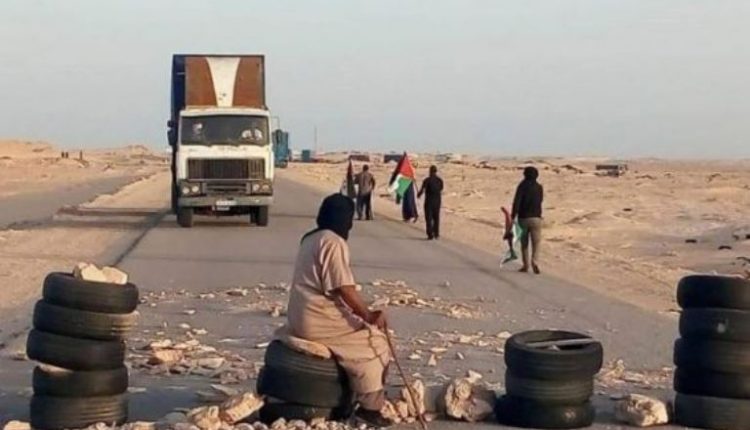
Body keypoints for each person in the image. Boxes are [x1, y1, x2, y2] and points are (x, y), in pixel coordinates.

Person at [285, 194, 393, 427]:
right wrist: (368, 315)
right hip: (317, 317)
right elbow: (344, 288)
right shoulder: (333, 242)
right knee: (373, 343)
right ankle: (369, 408)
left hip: (299, 314)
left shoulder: (310, 238)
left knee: (360, 329)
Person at [512, 166, 544, 274]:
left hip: (523, 218)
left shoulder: (522, 186)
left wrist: (513, 216)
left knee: (524, 243)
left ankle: (526, 265)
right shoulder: (539, 187)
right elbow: (540, 201)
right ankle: (535, 261)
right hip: (536, 218)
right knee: (536, 243)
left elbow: (517, 202)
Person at [418, 165, 443, 240]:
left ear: (430, 171)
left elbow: (422, 190)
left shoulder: (427, 180)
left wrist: (418, 194)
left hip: (429, 202)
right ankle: (436, 234)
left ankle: (430, 234)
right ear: (436, 171)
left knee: (428, 218)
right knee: (436, 218)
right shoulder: (440, 180)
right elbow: (441, 188)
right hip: (437, 202)